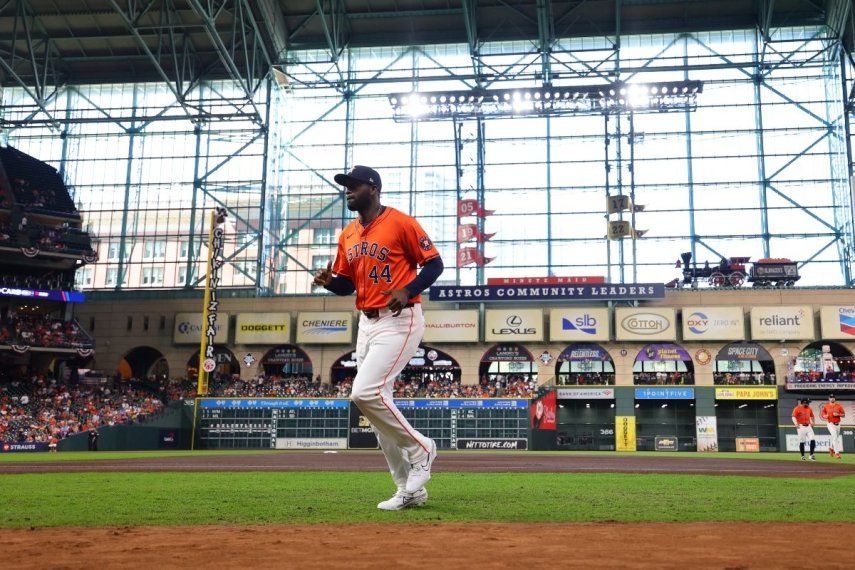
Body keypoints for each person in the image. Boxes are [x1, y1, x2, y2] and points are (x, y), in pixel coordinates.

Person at [314, 165, 444, 511]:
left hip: (399, 319)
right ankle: (408, 489)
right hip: (367, 322)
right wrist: (330, 281)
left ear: (373, 188)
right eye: (346, 186)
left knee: (364, 392)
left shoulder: (401, 222)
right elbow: (348, 283)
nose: (347, 191)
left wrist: (409, 289)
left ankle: (421, 448)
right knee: (374, 408)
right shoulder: (348, 235)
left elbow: (434, 264)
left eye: (353, 186)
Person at [820, 393, 845, 459]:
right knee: (834, 437)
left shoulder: (839, 406)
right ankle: (837, 453)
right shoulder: (826, 406)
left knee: (835, 438)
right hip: (830, 423)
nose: (832, 398)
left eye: (833, 397)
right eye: (831, 397)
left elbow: (843, 415)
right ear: (829, 399)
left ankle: (831, 448)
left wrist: (838, 414)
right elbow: (822, 414)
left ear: (835, 398)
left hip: (838, 424)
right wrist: (825, 416)